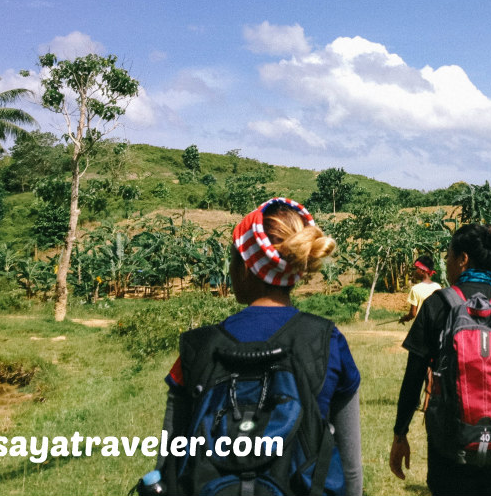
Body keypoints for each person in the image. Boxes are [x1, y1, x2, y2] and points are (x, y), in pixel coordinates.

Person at [155, 197, 363, 496]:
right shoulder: (328, 341)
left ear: (247, 267)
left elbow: (168, 461)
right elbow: (350, 465)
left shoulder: (196, 347)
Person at [389, 223, 491, 496]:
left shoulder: (437, 306)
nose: (447, 263)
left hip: (448, 447)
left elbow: (414, 377)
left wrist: (400, 433)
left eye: (449, 257)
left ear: (463, 259)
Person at [399, 255, 442, 324]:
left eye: (416, 268)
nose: (414, 272)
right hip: (435, 327)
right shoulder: (438, 287)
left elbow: (413, 314)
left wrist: (405, 318)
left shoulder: (415, 289)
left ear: (422, 271)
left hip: (422, 328)